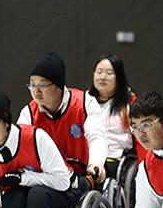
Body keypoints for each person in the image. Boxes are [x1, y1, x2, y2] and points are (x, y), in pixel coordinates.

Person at [18, 52, 107, 184]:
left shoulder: (85, 103)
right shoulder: (29, 113)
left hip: (81, 174)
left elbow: (96, 137)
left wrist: (96, 163)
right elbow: (20, 146)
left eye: (42, 85)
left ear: (58, 86)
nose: (36, 91)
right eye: (32, 85)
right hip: (46, 177)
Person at [87, 54, 146, 178]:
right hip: (88, 157)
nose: (102, 77)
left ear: (118, 77)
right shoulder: (84, 101)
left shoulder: (130, 102)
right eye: (99, 72)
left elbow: (141, 139)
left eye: (109, 73)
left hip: (116, 159)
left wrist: (143, 167)